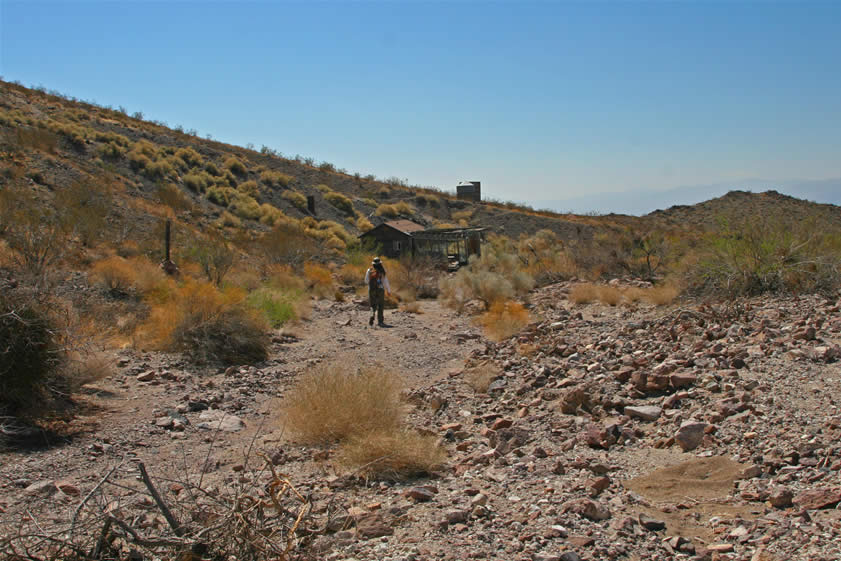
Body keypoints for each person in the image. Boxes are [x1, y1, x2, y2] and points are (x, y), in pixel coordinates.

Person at [365, 257, 391, 326]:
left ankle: (371, 316)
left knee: (372, 306)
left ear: (373, 264)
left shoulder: (369, 270)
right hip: (380, 290)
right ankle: (380, 321)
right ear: (380, 263)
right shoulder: (382, 270)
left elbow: (366, 281)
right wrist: (388, 290)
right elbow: (385, 281)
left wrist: (372, 285)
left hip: (371, 290)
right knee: (380, 305)